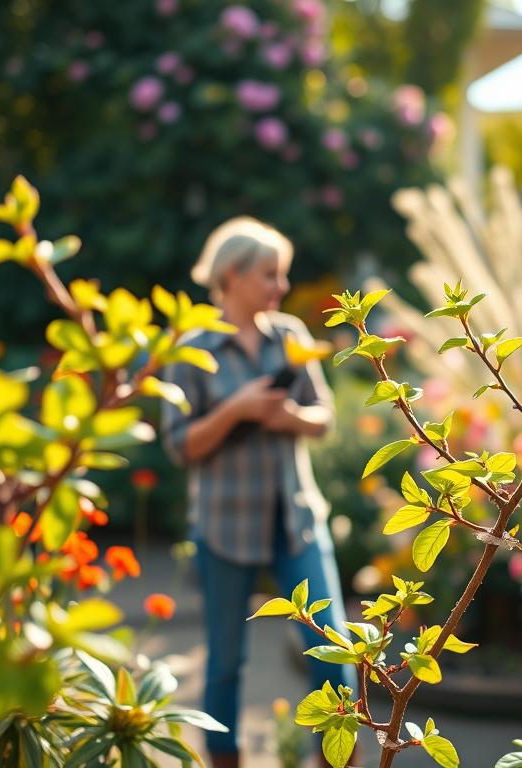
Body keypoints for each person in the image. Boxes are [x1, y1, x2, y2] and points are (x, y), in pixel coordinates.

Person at [160, 217, 356, 768]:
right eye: (271, 274)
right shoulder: (192, 350)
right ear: (233, 275)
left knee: (334, 654)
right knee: (225, 663)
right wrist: (237, 410)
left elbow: (324, 419)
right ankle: (225, 758)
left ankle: (338, 759)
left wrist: (288, 416)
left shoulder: (291, 335)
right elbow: (180, 445)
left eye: (282, 274)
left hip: (296, 521)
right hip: (224, 528)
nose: (281, 287)